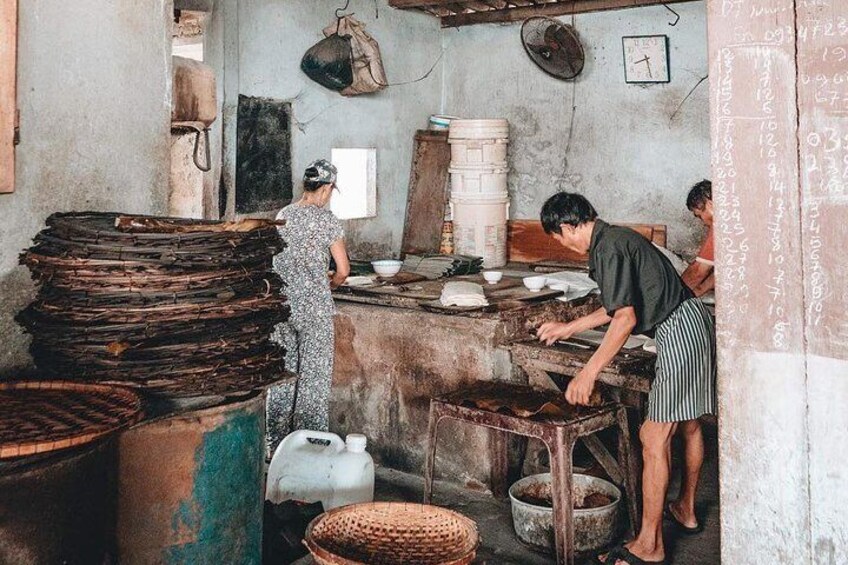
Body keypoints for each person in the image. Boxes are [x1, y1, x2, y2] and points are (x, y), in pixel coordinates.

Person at [536, 192, 716, 565]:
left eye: (558, 237)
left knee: (652, 437)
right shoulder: (615, 238)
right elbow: (616, 305)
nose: (561, 244)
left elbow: (625, 319)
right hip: (695, 319)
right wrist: (570, 327)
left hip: (677, 330)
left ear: (568, 226)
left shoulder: (607, 248)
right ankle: (685, 508)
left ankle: (650, 546)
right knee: (690, 424)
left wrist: (588, 372)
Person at [267, 159, 350, 455]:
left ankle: (274, 450)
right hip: (315, 311)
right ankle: (311, 450)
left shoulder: (283, 215)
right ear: (327, 189)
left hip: (283, 309)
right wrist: (329, 285)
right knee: (313, 382)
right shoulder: (327, 221)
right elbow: (342, 270)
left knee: (283, 378)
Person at [680, 180, 714, 297]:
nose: (703, 222)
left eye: (699, 216)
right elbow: (722, 271)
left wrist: (675, 294)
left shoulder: (721, 227)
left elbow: (698, 271)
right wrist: (698, 291)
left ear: (710, 205)